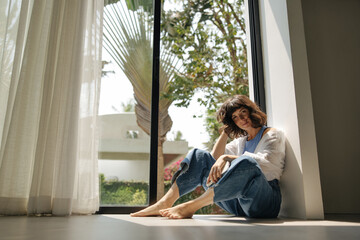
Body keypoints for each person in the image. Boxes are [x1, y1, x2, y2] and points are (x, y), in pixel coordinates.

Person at [131, 95, 286, 219]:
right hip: (238, 204)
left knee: (247, 162)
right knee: (199, 155)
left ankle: (192, 206)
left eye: (243, 113)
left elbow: (267, 166)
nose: (241, 119)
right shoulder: (241, 142)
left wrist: (226, 158)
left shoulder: (272, 134)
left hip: (264, 202)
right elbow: (213, 160)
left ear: (250, 111)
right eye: (235, 117)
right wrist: (226, 132)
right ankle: (165, 202)